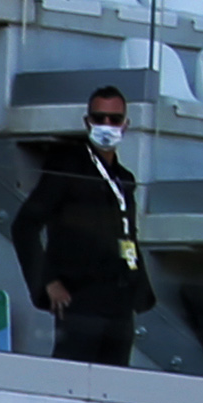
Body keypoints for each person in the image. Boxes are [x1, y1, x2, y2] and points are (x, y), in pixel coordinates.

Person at [14, 87, 151, 366]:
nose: (107, 126)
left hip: (120, 301)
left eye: (114, 119)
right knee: (72, 382)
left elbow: (127, 235)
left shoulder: (124, 179)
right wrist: (47, 281)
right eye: (100, 118)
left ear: (126, 125)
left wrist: (137, 286)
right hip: (80, 298)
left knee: (114, 386)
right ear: (87, 122)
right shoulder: (67, 167)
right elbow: (24, 225)